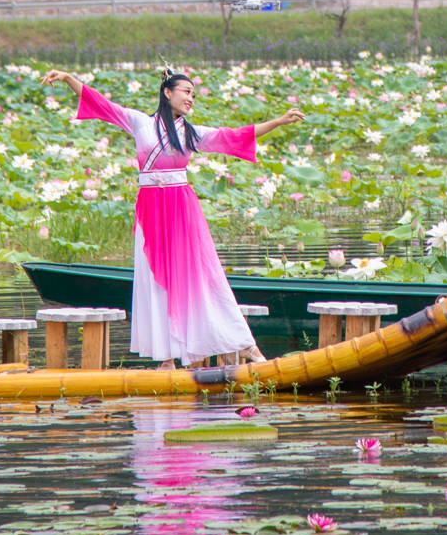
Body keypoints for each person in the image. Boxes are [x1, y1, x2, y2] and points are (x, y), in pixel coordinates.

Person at [43, 68, 303, 367]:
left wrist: (279, 121)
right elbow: (101, 104)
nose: (191, 98)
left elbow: (235, 136)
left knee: (201, 276)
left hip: (180, 208)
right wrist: (67, 78)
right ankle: (166, 358)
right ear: (167, 92)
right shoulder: (140, 123)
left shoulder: (191, 134)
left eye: (193, 94)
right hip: (151, 208)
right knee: (153, 280)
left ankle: (244, 345)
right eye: (186, 91)